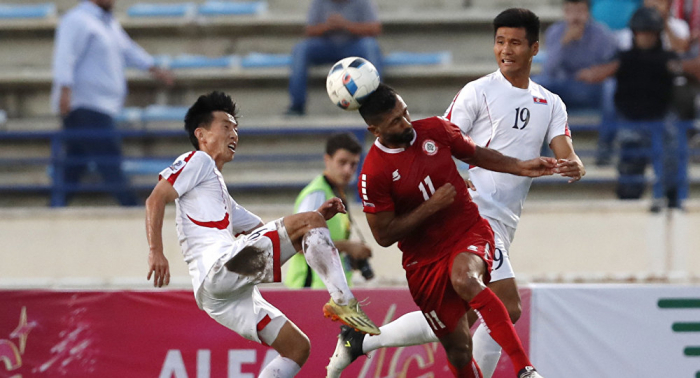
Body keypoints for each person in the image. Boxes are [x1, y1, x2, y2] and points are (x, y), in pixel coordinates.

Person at [326, 9, 585, 378]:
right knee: (506, 307)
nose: (505, 50)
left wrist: (574, 164)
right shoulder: (477, 91)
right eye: (499, 42)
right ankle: (521, 370)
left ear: (534, 48)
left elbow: (565, 152)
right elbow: (445, 142)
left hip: (505, 220)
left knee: (459, 319)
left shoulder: (551, 102)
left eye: (514, 42)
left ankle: (360, 340)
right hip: (475, 213)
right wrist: (451, 185)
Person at [145, 92, 380, 378]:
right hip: (220, 269)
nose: (234, 134)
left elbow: (264, 230)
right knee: (307, 222)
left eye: (236, 128)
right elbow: (155, 199)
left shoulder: (219, 193)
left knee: (297, 347)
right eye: (226, 126)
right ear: (202, 135)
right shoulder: (198, 161)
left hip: (220, 295)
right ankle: (344, 304)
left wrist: (314, 220)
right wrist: (156, 251)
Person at [51, 0, 174, 206]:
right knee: (109, 157)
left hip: (102, 106)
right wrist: (64, 90)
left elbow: (128, 49)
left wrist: (154, 69)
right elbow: (65, 56)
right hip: (85, 104)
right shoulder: (77, 20)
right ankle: (129, 204)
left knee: (76, 160)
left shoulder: (108, 24)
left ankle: (56, 204)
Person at [284, 132, 373, 288]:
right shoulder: (317, 193)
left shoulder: (335, 192)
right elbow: (300, 244)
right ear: (327, 159)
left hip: (328, 291)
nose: (348, 170)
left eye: (353, 164)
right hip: (309, 290)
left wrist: (348, 256)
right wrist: (348, 246)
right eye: (342, 162)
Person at [285, 0, 383, 116]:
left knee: (371, 46)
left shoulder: (362, 2)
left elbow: (375, 29)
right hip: (326, 46)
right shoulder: (318, 2)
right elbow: (309, 31)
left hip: (354, 45)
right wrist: (327, 26)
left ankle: (378, 104)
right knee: (301, 48)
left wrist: (346, 25)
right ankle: (297, 105)